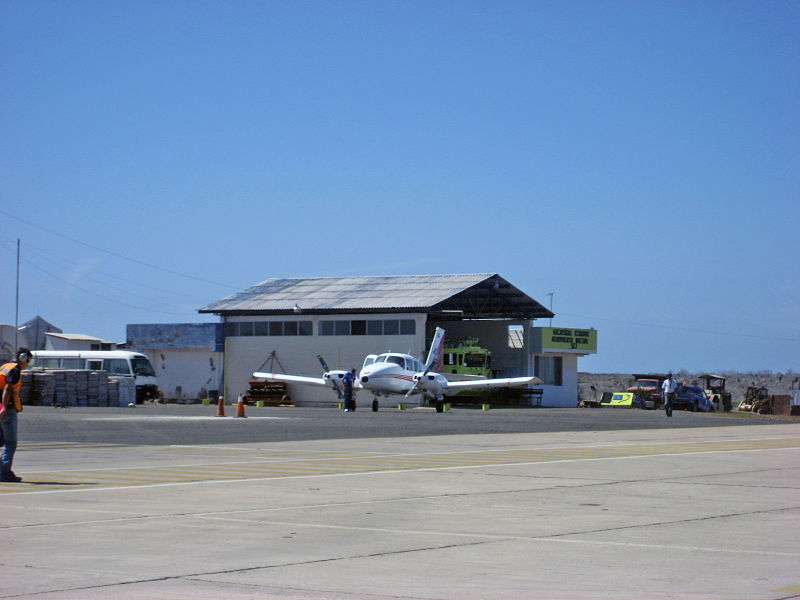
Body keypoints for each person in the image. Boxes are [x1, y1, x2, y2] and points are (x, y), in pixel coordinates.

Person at [1, 347, 32, 482]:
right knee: (10, 442)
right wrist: (4, 407)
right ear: (23, 359)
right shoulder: (15, 370)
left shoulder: (4, 367)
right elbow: (8, 388)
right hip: (7, 410)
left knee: (1, 440)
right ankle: (4, 472)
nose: (27, 365)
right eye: (28, 361)